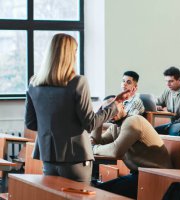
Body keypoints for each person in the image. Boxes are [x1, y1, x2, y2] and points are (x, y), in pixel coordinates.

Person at [24, 33, 127, 183]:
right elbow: (90, 123)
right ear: (70, 54)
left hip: (48, 158)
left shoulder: (34, 83)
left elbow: (31, 124)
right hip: (76, 158)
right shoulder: (78, 82)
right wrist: (114, 106)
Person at [91, 114, 172, 198]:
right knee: (96, 190)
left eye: (113, 105)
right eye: (106, 108)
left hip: (157, 177)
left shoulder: (133, 121)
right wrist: (99, 121)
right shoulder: (115, 127)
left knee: (98, 193)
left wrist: (93, 148)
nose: (111, 110)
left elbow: (116, 151)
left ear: (121, 104)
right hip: (139, 175)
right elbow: (94, 144)